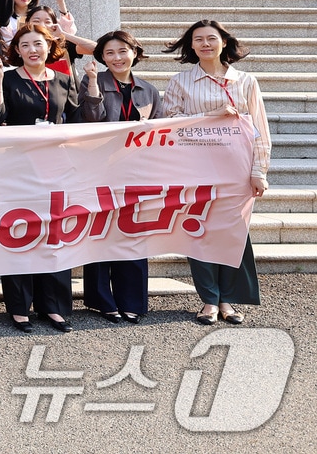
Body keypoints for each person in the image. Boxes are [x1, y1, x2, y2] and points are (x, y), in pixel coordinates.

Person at [162, 20, 271, 326]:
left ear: (225, 42)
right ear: (191, 45)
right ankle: (209, 300)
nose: (205, 44)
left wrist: (258, 170)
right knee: (199, 232)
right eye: (198, 39)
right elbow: (170, 124)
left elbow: (260, 130)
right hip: (195, 169)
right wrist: (209, 116)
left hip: (237, 171)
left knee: (233, 234)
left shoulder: (246, 81)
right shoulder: (180, 82)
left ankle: (228, 300)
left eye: (212, 38)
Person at [0, 24, 80, 333]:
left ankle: (53, 307)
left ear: (49, 46)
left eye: (38, 43)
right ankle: (18, 308)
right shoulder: (10, 78)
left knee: (54, 235)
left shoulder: (64, 80)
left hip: (55, 168)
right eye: (25, 44)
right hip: (18, 167)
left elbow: (81, 120)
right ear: (18, 50)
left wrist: (92, 85)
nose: (32, 49)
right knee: (19, 234)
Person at [79, 30, 160, 324]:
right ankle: (102, 300)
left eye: (122, 51)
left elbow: (158, 134)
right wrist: (90, 82)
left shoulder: (148, 90)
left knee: (134, 234)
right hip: (99, 169)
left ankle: (133, 301)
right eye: (109, 53)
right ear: (101, 57)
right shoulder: (94, 82)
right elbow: (90, 121)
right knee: (101, 233)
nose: (116, 58)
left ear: (134, 53)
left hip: (136, 172)